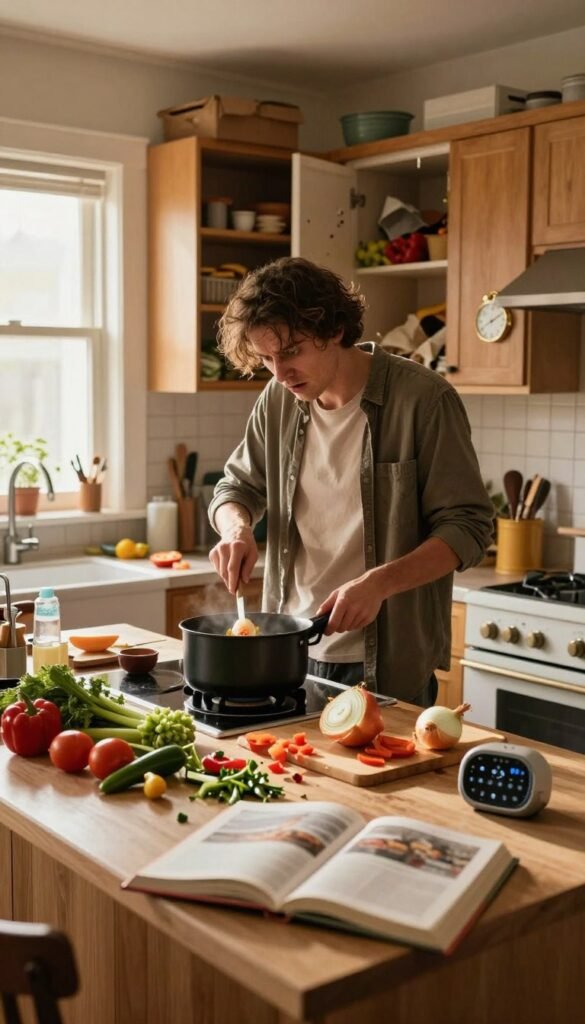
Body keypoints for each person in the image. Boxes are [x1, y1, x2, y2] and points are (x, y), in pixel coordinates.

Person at [208, 257, 493, 706]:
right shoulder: (278, 401)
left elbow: (468, 527)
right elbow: (236, 489)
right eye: (265, 359)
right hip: (289, 653)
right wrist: (236, 529)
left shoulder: (423, 399)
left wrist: (379, 583)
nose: (279, 374)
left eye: (290, 352)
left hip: (388, 665)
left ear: (334, 331)